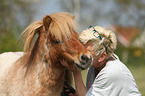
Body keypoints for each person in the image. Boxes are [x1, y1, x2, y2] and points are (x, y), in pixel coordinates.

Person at [63, 25, 141, 96]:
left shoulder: (111, 71)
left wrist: (76, 72)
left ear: (102, 57)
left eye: (87, 51)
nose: (81, 53)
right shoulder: (94, 66)